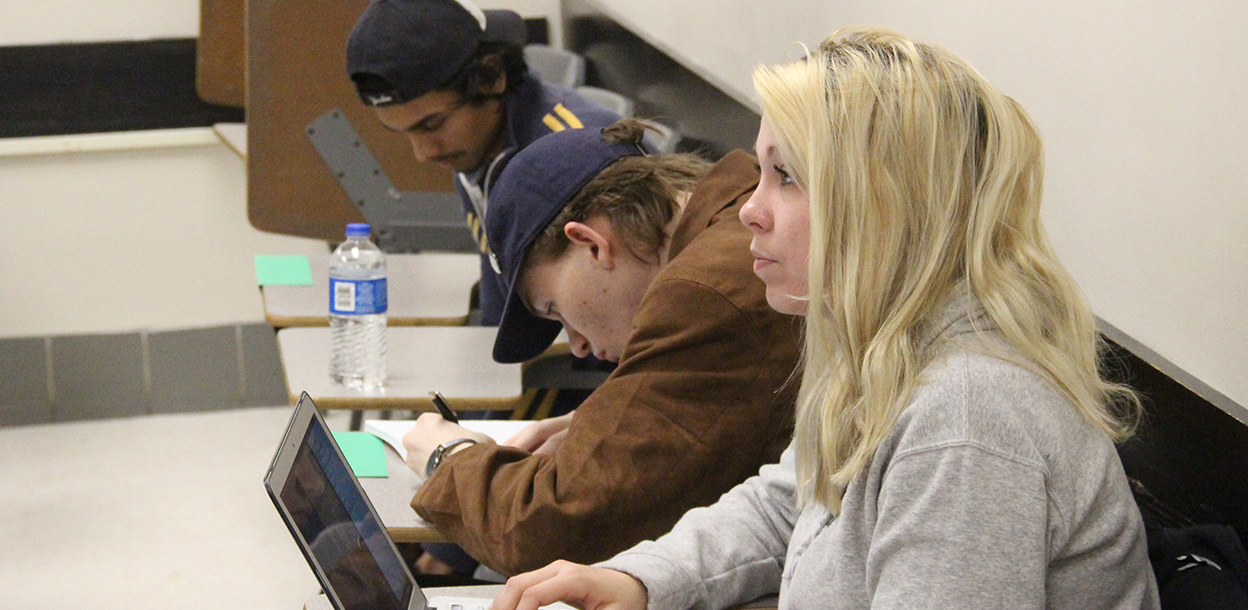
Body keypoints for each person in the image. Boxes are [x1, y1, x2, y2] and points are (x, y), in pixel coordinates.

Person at [491, 27, 1161, 610]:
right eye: (759, 173)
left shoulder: (964, 416)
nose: (751, 210)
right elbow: (790, 502)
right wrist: (640, 580)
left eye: (788, 178)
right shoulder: (886, 345)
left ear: (882, 203)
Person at [398, 119, 803, 576]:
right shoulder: (734, 213)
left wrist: (449, 458)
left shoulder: (703, 294)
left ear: (590, 244)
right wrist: (604, 418)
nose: (579, 346)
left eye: (556, 311)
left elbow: (546, 528)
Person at [346, 0, 623, 325]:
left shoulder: (582, 160)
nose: (424, 153)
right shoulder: (480, 151)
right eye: (402, 133)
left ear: (491, 77)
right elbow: (500, 307)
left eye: (432, 124)